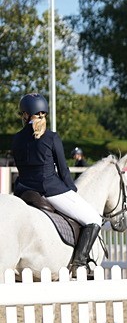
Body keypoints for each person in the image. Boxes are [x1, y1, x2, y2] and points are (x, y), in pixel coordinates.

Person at [10, 93, 104, 275]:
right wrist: (72, 190)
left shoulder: (16, 139)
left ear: (25, 115)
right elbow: (63, 171)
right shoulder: (51, 137)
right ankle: (79, 263)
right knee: (94, 218)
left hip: (24, 191)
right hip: (50, 190)